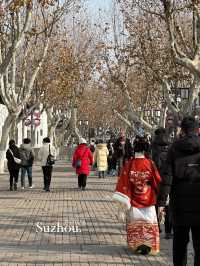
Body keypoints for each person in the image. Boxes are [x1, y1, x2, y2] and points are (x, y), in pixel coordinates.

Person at [158, 116, 200, 266]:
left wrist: (161, 203)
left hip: (179, 204)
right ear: (198, 130)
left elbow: (167, 177)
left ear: (182, 130)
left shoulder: (174, 148)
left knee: (180, 244)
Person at [113, 136, 161, 255]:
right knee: (148, 221)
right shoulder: (150, 163)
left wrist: (122, 205)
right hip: (148, 197)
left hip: (134, 198)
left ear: (135, 150)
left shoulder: (129, 164)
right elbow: (157, 180)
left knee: (136, 222)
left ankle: (137, 245)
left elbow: (123, 182)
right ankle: (149, 245)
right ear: (145, 150)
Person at [152, 127, 172, 239]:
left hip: (155, 180)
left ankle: (157, 227)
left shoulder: (152, 147)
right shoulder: (171, 147)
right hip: (168, 180)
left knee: (155, 205)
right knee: (168, 206)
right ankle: (168, 231)